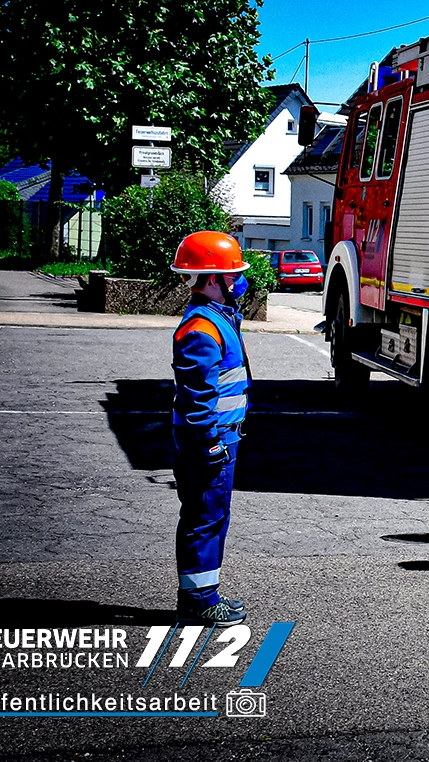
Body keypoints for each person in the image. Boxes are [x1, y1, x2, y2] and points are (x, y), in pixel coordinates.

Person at [169, 231, 253, 626]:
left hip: (222, 437)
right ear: (212, 278)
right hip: (211, 441)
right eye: (231, 275)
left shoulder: (217, 316)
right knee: (205, 517)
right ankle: (199, 601)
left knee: (214, 515)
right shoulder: (202, 330)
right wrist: (209, 443)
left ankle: (205, 594)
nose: (238, 281)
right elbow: (196, 398)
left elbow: (240, 288)